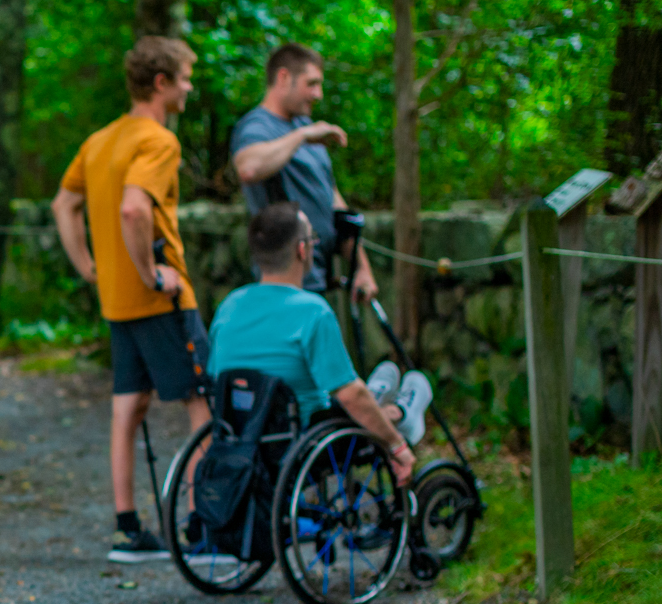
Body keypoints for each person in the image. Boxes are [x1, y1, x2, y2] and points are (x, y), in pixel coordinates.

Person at [52, 35, 213, 563]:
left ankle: (128, 529)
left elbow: (64, 205)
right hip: (161, 300)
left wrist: (89, 268)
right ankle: (203, 526)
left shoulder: (100, 140)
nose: (191, 87)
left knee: (128, 410)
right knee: (202, 405)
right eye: (186, 77)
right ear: (162, 84)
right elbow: (134, 210)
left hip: (116, 303)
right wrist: (151, 273)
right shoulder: (159, 141)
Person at [207, 204, 431, 483]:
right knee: (404, 387)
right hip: (304, 444)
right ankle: (402, 412)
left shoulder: (230, 306)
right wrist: (397, 447)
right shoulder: (312, 311)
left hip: (241, 438)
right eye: (313, 239)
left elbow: (217, 379)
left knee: (364, 389)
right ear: (302, 250)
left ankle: (379, 393)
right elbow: (348, 395)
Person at [229, 43, 379, 302]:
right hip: (283, 281)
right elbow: (248, 167)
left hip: (318, 275)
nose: (318, 94)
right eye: (311, 83)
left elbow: (332, 199)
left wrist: (361, 267)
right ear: (284, 77)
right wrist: (302, 135)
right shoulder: (258, 126)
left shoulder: (305, 127)